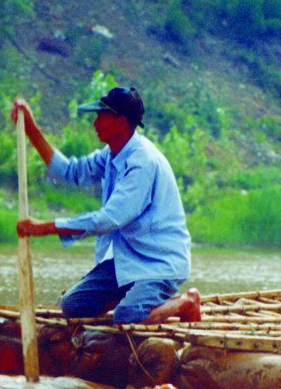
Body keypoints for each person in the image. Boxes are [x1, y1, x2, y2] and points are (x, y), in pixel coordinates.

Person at [11, 87, 201, 324]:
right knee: (73, 306)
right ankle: (133, 299)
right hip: (128, 259)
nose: (95, 123)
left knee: (127, 317)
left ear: (120, 123)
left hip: (159, 262)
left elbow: (109, 219)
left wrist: (47, 227)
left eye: (101, 116)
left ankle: (186, 302)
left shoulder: (141, 162)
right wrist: (30, 128)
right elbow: (70, 171)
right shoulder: (111, 154)